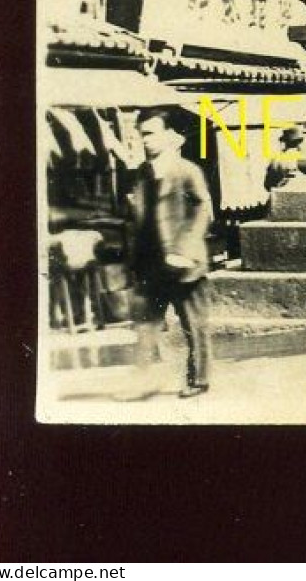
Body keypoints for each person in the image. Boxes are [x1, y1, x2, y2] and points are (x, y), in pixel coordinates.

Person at [126, 108, 213, 397]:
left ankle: (198, 379)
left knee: (193, 323)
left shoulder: (187, 171)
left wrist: (186, 247)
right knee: (147, 324)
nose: (146, 140)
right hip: (151, 260)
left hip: (184, 262)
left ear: (168, 135)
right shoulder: (141, 173)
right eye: (142, 134)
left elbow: (203, 210)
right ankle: (145, 380)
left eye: (151, 133)